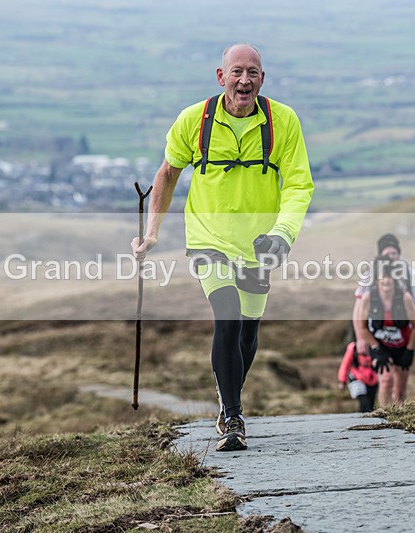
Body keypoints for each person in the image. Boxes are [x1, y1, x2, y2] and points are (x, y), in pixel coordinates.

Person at [131, 43, 314, 452]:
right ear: (221, 77)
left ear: (262, 79)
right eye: (236, 72)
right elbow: (168, 173)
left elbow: (300, 184)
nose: (244, 80)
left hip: (259, 243)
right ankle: (233, 417)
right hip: (208, 238)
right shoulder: (193, 120)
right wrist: (153, 233)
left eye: (252, 73)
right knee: (227, 316)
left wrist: (283, 235)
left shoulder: (283, 122)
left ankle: (227, 393)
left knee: (248, 334)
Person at [357, 233, 415, 362]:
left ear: (399, 254)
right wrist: (360, 338)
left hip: (404, 334)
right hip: (376, 333)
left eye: (394, 254)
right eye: (387, 255)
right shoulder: (370, 276)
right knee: (385, 378)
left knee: (400, 377)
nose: (391, 258)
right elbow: (359, 307)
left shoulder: (411, 275)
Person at [353, 256, 415, 405]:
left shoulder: (405, 298)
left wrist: (409, 351)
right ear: (377, 280)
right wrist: (376, 348)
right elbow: (362, 327)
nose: (386, 280)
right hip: (380, 345)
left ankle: (400, 419)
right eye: (382, 277)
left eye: (390, 276)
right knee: (386, 380)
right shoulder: (368, 298)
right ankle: (383, 418)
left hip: (403, 345)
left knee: (400, 389)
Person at [337, 340, 379, 412]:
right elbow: (345, 364)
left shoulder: (376, 346)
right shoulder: (353, 347)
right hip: (356, 378)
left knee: (371, 406)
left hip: (373, 380)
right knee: (365, 403)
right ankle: (362, 420)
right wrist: (342, 381)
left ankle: (365, 420)